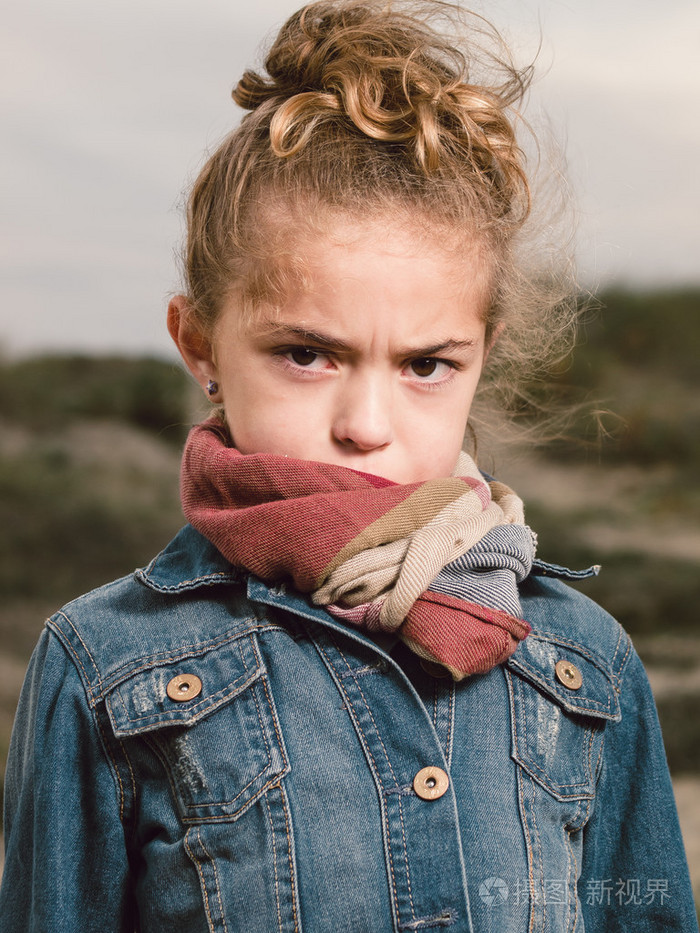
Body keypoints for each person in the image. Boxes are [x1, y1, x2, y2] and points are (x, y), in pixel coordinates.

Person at [1, 2, 696, 930]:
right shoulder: (103, 667)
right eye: (307, 354)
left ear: (481, 357)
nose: (367, 426)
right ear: (200, 344)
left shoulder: (586, 661)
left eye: (425, 365)